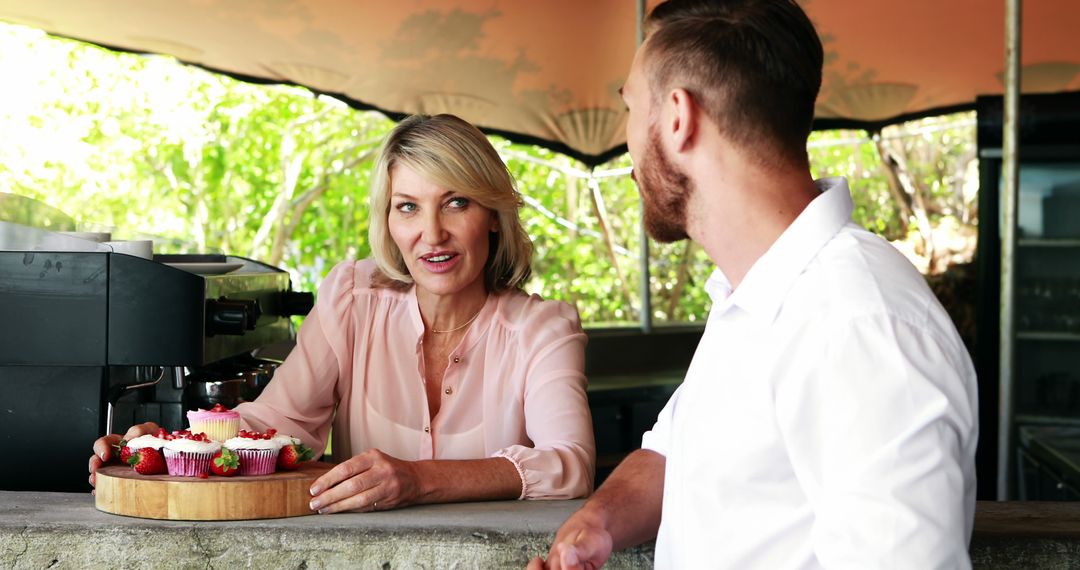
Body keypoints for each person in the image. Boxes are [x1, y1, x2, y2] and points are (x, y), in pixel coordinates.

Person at [531, 0, 978, 568]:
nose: (627, 142)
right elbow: (677, 451)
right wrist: (595, 524)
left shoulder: (859, 324)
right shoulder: (758, 292)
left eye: (629, 107)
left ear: (676, 117)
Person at [90, 113, 595, 511]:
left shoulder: (542, 330)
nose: (432, 233)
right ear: (389, 220)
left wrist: (419, 479)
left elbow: (570, 465)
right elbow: (277, 421)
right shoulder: (352, 300)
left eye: (457, 202)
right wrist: (178, 446)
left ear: (492, 215)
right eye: (408, 207)